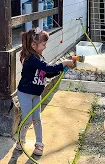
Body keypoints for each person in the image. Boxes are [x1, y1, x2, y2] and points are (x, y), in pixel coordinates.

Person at [16, 27, 74, 156]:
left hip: (36, 93)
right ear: (33, 45)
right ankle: (21, 141)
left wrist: (60, 69)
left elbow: (46, 73)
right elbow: (47, 68)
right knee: (27, 119)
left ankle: (39, 143)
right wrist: (63, 63)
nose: (45, 47)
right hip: (25, 93)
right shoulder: (31, 59)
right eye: (43, 44)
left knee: (37, 118)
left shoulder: (39, 58)